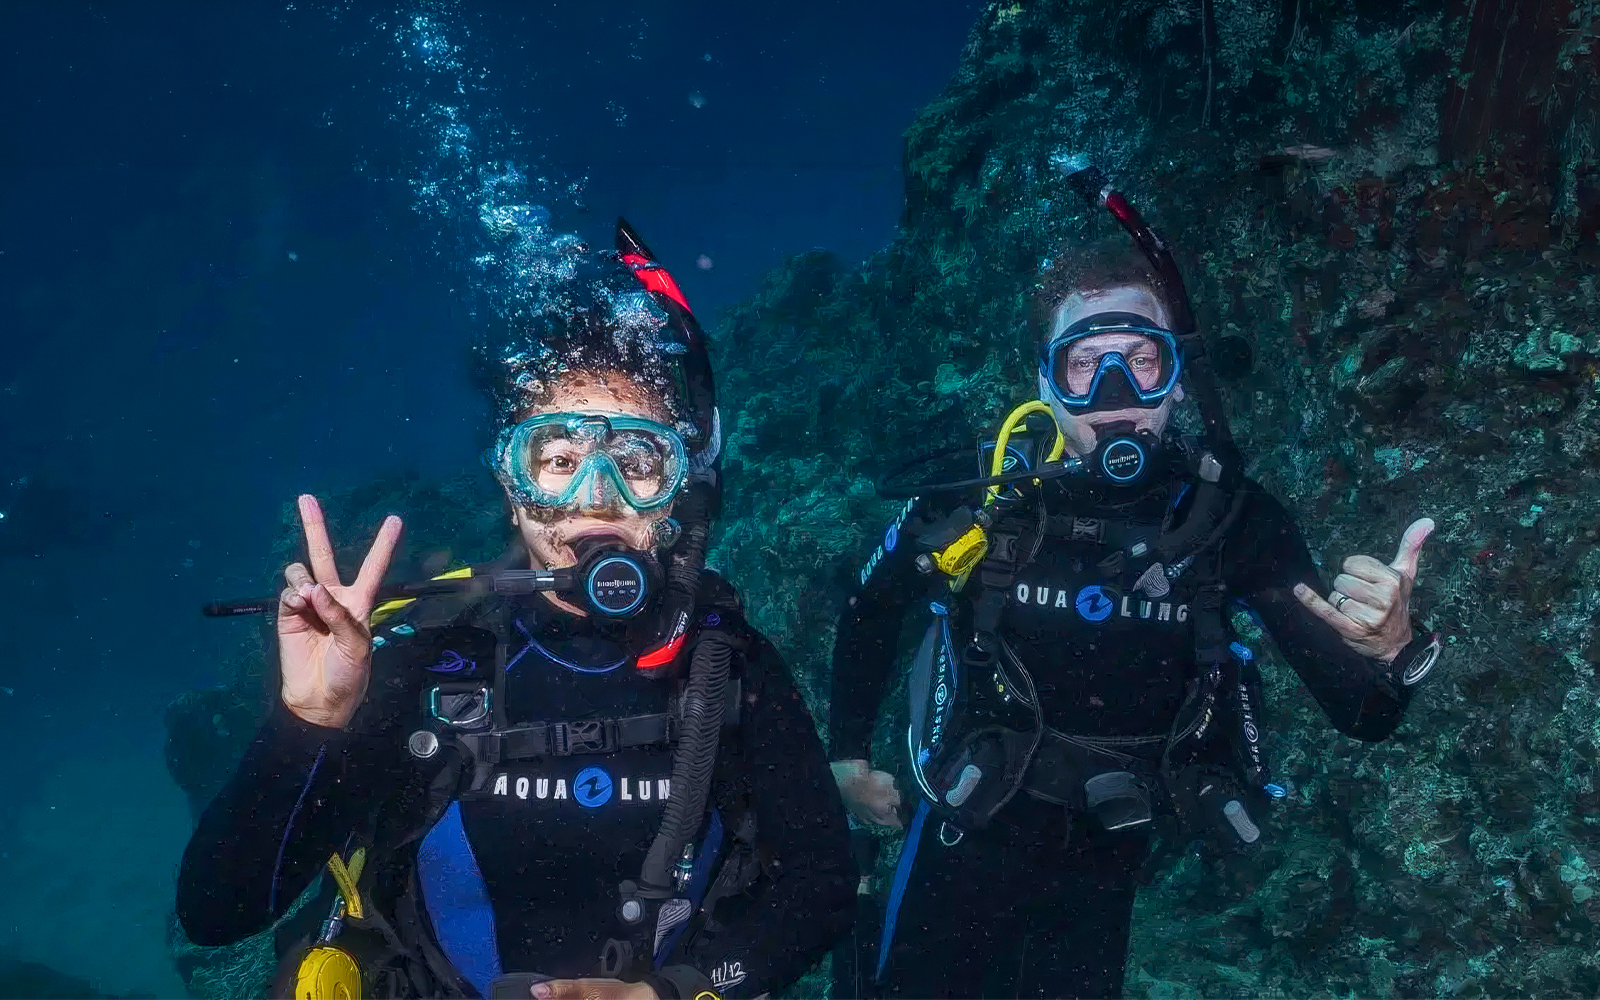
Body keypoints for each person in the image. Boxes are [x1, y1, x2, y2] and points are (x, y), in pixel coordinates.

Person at [177, 220, 855, 1000]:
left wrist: (672, 992)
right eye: (558, 460)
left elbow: (822, 885)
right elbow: (217, 913)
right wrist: (309, 724)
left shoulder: (726, 661)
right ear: (511, 486)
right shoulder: (429, 660)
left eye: (637, 461)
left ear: (678, 492)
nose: (596, 496)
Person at [827, 170, 1442, 999]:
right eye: (1084, 364)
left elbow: (1364, 716)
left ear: (1178, 377)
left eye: (1141, 360)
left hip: (1109, 854)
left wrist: (1395, 648)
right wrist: (846, 757)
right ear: (1045, 383)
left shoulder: (1235, 521)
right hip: (967, 827)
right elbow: (870, 607)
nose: (1115, 397)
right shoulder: (978, 503)